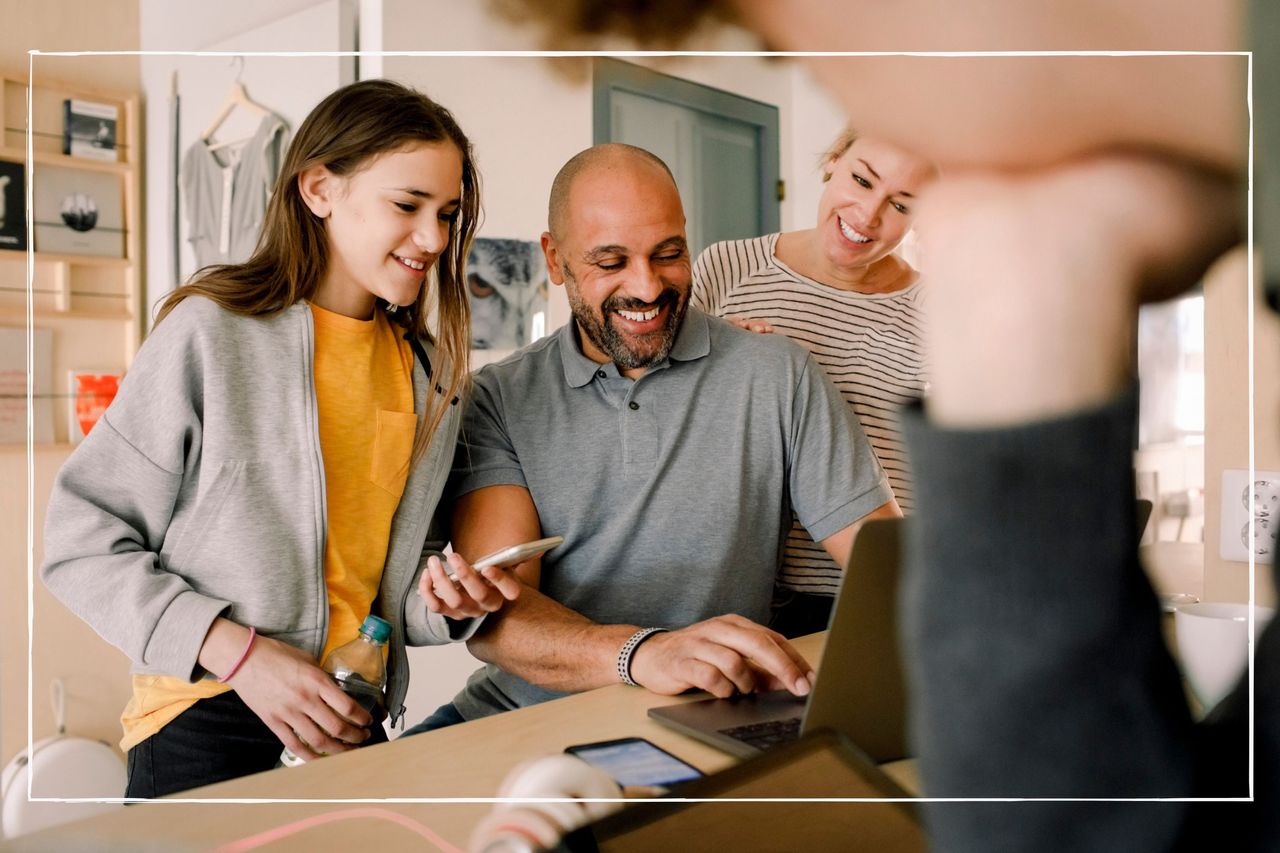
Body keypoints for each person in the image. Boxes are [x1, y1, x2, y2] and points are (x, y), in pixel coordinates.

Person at [496, 2, 1276, 849]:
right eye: (865, 174)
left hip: (883, 572)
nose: (871, 213)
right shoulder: (720, 283)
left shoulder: (927, 302)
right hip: (792, 604)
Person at [39, 79, 520, 798]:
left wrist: (450, 599)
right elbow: (79, 543)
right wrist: (244, 658)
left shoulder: (428, 374)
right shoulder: (210, 334)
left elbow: (386, 578)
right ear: (320, 188)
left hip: (346, 720)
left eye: (447, 213)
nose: (435, 239)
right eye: (407, 205)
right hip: (202, 718)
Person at [405, 143, 899, 732]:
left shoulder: (776, 374)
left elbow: (888, 564)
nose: (646, 287)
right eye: (610, 262)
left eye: (668, 254)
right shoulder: (497, 397)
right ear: (555, 259)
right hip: (518, 715)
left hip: (703, 717)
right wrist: (643, 653)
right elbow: (501, 619)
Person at [692, 131, 935, 637]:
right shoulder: (727, 269)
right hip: (735, 597)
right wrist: (705, 369)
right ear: (833, 160)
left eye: (901, 204)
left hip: (872, 594)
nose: (867, 215)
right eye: (861, 179)